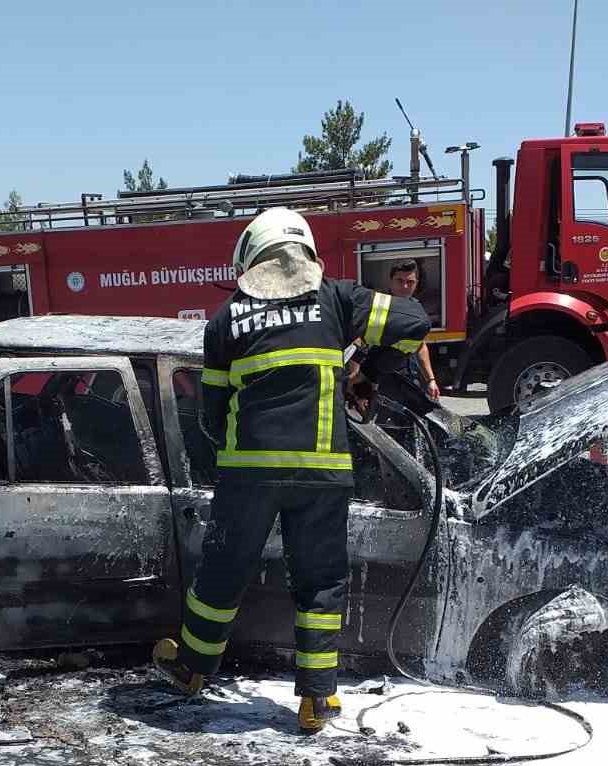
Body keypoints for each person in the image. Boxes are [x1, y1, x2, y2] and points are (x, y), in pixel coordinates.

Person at [151, 207, 430, 733]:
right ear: (306, 252)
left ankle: (190, 670)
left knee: (224, 571)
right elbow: (414, 324)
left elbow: (210, 415)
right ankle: (316, 700)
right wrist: (365, 373)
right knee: (320, 582)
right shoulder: (336, 299)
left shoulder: (227, 320)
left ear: (249, 258)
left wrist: (235, 453)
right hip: (322, 474)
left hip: (249, 475)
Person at [360, 259, 441, 414]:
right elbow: (361, 342)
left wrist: (431, 380)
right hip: (383, 380)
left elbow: (420, 346)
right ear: (390, 282)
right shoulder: (379, 307)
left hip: (408, 376)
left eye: (410, 282)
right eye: (400, 281)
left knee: (415, 420)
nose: (404, 287)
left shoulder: (416, 308)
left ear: (416, 283)